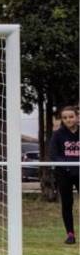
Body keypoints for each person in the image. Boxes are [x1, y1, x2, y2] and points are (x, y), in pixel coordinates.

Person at [50, 105, 79, 245]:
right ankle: (70, 234)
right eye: (65, 117)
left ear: (77, 117)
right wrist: (68, 166)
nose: (68, 120)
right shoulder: (58, 134)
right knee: (67, 204)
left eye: (71, 116)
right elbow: (54, 155)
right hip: (64, 174)